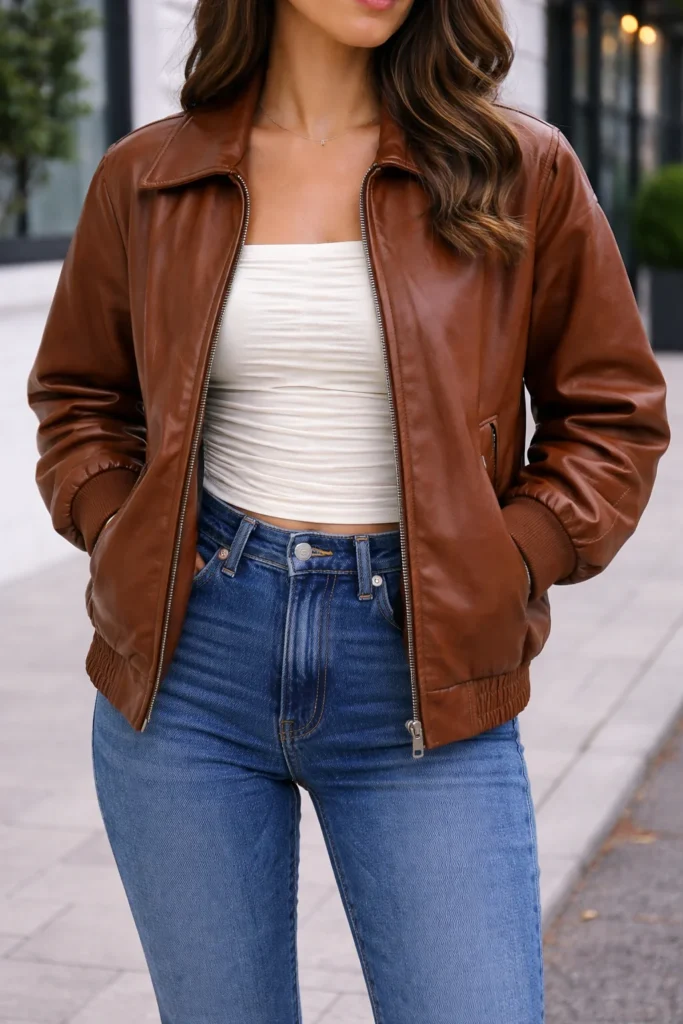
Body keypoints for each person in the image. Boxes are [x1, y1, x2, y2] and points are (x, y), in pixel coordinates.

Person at [27, 0, 669, 1020]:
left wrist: (511, 558)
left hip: (422, 675)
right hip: (189, 669)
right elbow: (80, 401)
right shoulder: (147, 175)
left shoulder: (516, 169)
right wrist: (115, 531)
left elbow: (611, 412)